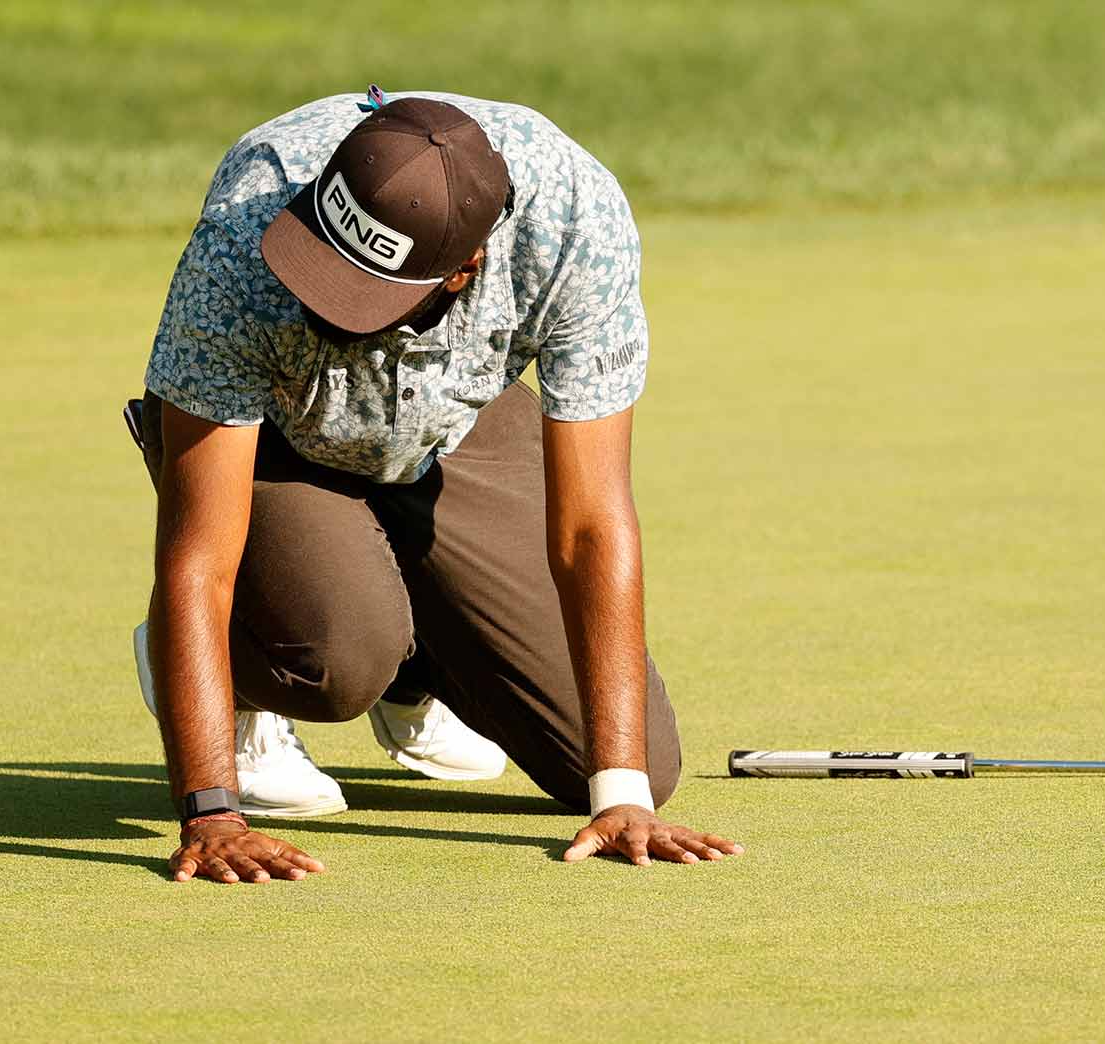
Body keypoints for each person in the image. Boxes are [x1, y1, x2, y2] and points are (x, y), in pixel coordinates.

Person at [135, 86, 741, 883]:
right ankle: (245, 679)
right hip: (276, 432)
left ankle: (418, 672)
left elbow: (592, 524)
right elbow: (197, 560)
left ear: (467, 269)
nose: (327, 303)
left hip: (456, 417)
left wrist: (623, 794)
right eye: (324, 269)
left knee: (632, 765)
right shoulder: (245, 232)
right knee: (336, 656)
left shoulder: (575, 224)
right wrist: (210, 812)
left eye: (362, 295)